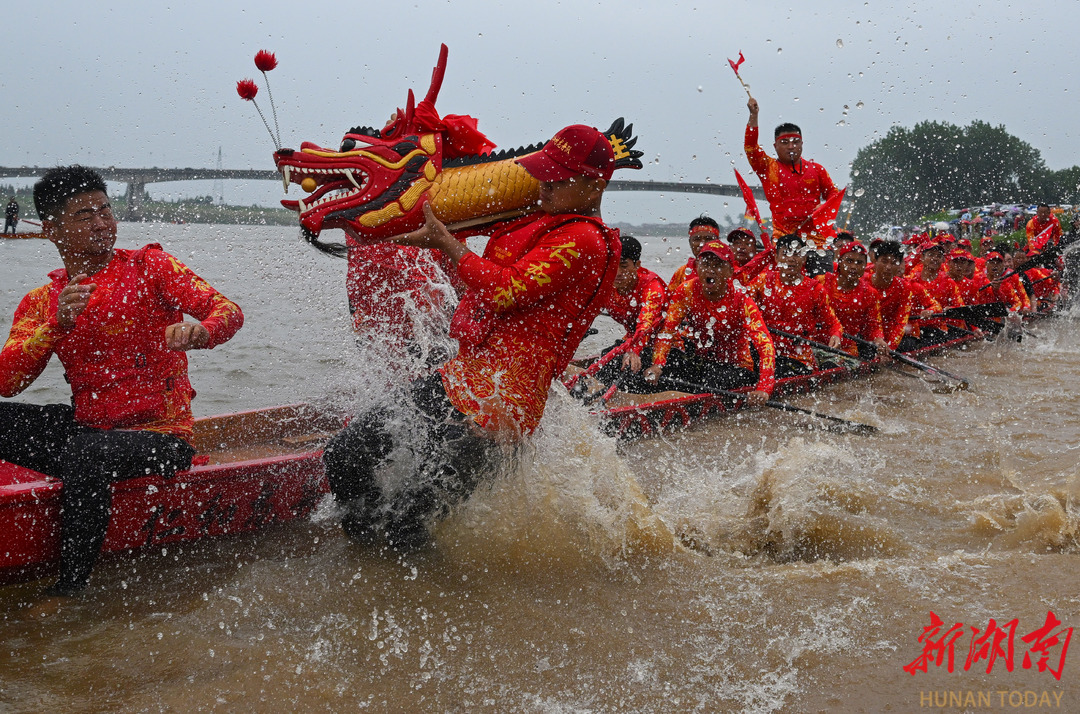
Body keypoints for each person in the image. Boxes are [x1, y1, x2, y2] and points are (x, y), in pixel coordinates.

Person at [322, 124, 622, 550]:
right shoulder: (539, 219)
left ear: (594, 185)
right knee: (344, 455)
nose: (544, 185)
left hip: (502, 409)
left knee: (407, 525)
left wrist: (445, 242)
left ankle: (420, 599)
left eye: (557, 178)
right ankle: (366, 567)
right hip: (461, 378)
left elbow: (503, 288)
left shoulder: (585, 239)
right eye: (543, 173)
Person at [0, 166, 244, 603]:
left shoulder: (151, 267)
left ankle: (69, 589)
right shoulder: (41, 301)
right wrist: (55, 326)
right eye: (84, 215)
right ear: (52, 229)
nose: (101, 223)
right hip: (90, 431)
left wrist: (203, 332)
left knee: (85, 453)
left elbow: (226, 310)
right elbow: (7, 381)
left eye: (105, 210)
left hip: (161, 436)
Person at [642, 240, 773, 403]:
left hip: (736, 367)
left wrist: (764, 388)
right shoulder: (686, 290)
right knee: (657, 363)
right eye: (705, 264)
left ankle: (686, 400)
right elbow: (667, 332)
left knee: (708, 379)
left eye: (717, 265)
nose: (710, 270)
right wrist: (658, 364)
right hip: (703, 361)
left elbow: (765, 345)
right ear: (697, 267)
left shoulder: (742, 301)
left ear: (730, 271)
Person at [745, 96, 842, 275]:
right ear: (775, 146)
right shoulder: (768, 168)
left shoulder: (817, 169)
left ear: (802, 144)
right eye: (785, 143)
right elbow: (750, 147)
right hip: (784, 240)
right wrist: (754, 116)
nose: (791, 146)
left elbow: (833, 195)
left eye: (795, 142)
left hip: (816, 241)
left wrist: (824, 206)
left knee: (821, 286)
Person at [744, 233, 843, 378]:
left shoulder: (815, 289)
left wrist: (836, 335)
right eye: (785, 253)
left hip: (797, 358)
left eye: (796, 254)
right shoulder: (763, 281)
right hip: (765, 351)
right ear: (777, 258)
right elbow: (741, 306)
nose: (791, 259)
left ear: (804, 258)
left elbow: (833, 323)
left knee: (777, 371)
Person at [590, 235, 667, 387]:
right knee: (607, 356)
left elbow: (646, 323)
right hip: (633, 340)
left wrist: (634, 350)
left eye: (623, 266)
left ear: (637, 265)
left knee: (625, 366)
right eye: (613, 265)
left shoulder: (651, 286)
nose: (617, 273)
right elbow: (585, 312)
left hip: (664, 344)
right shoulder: (605, 283)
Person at [862, 240, 941, 351]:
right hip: (872, 336)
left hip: (900, 336)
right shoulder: (862, 282)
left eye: (894, 263)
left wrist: (889, 348)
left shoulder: (906, 287)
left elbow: (901, 322)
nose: (888, 267)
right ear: (874, 261)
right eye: (884, 261)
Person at [816, 242, 888, 359]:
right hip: (815, 344)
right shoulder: (821, 282)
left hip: (846, 349)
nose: (854, 267)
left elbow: (873, 325)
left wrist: (879, 340)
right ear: (839, 262)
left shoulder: (869, 293)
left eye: (859, 263)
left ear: (865, 266)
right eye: (849, 261)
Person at [669, 215, 719, 290]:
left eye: (708, 239)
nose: (702, 244)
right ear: (690, 243)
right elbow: (670, 300)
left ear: (718, 242)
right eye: (697, 239)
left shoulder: (729, 270)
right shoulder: (681, 273)